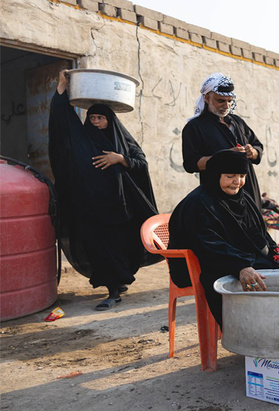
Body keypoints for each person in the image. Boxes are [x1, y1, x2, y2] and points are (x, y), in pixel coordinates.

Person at [49, 70, 161, 310]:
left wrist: (120, 159)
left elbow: (141, 163)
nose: (96, 123)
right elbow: (62, 122)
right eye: (92, 118)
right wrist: (61, 88)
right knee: (100, 247)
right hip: (90, 206)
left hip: (120, 207)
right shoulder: (81, 138)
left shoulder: (123, 141)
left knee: (120, 246)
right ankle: (113, 290)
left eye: (101, 118)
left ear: (110, 120)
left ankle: (116, 286)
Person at [168, 150, 279, 328]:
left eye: (242, 175)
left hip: (237, 257)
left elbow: (258, 232)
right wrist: (240, 265)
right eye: (230, 176)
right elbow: (207, 244)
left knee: (278, 272)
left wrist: (276, 253)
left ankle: (277, 328)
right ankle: (249, 332)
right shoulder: (198, 204)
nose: (238, 181)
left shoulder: (242, 197)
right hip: (206, 264)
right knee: (255, 278)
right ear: (214, 175)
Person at [182, 72, 264, 209]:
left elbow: (257, 146)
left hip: (248, 193)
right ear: (207, 98)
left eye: (229, 101)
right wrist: (223, 158)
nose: (226, 106)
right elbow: (191, 163)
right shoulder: (195, 127)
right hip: (218, 199)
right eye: (221, 101)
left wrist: (253, 152)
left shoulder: (237, 122)